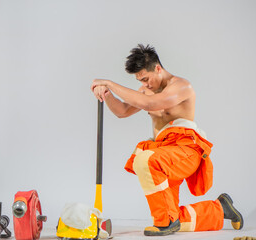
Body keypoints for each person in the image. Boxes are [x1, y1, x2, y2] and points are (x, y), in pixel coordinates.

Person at [91, 44, 243, 236]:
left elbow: (151, 103)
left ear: (158, 68)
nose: (145, 85)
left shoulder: (181, 86)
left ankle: (166, 223)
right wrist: (106, 93)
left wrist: (110, 83)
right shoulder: (146, 91)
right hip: (164, 153)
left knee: (146, 160)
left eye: (146, 79)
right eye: (140, 81)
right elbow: (122, 111)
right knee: (172, 215)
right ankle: (221, 208)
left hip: (185, 151)